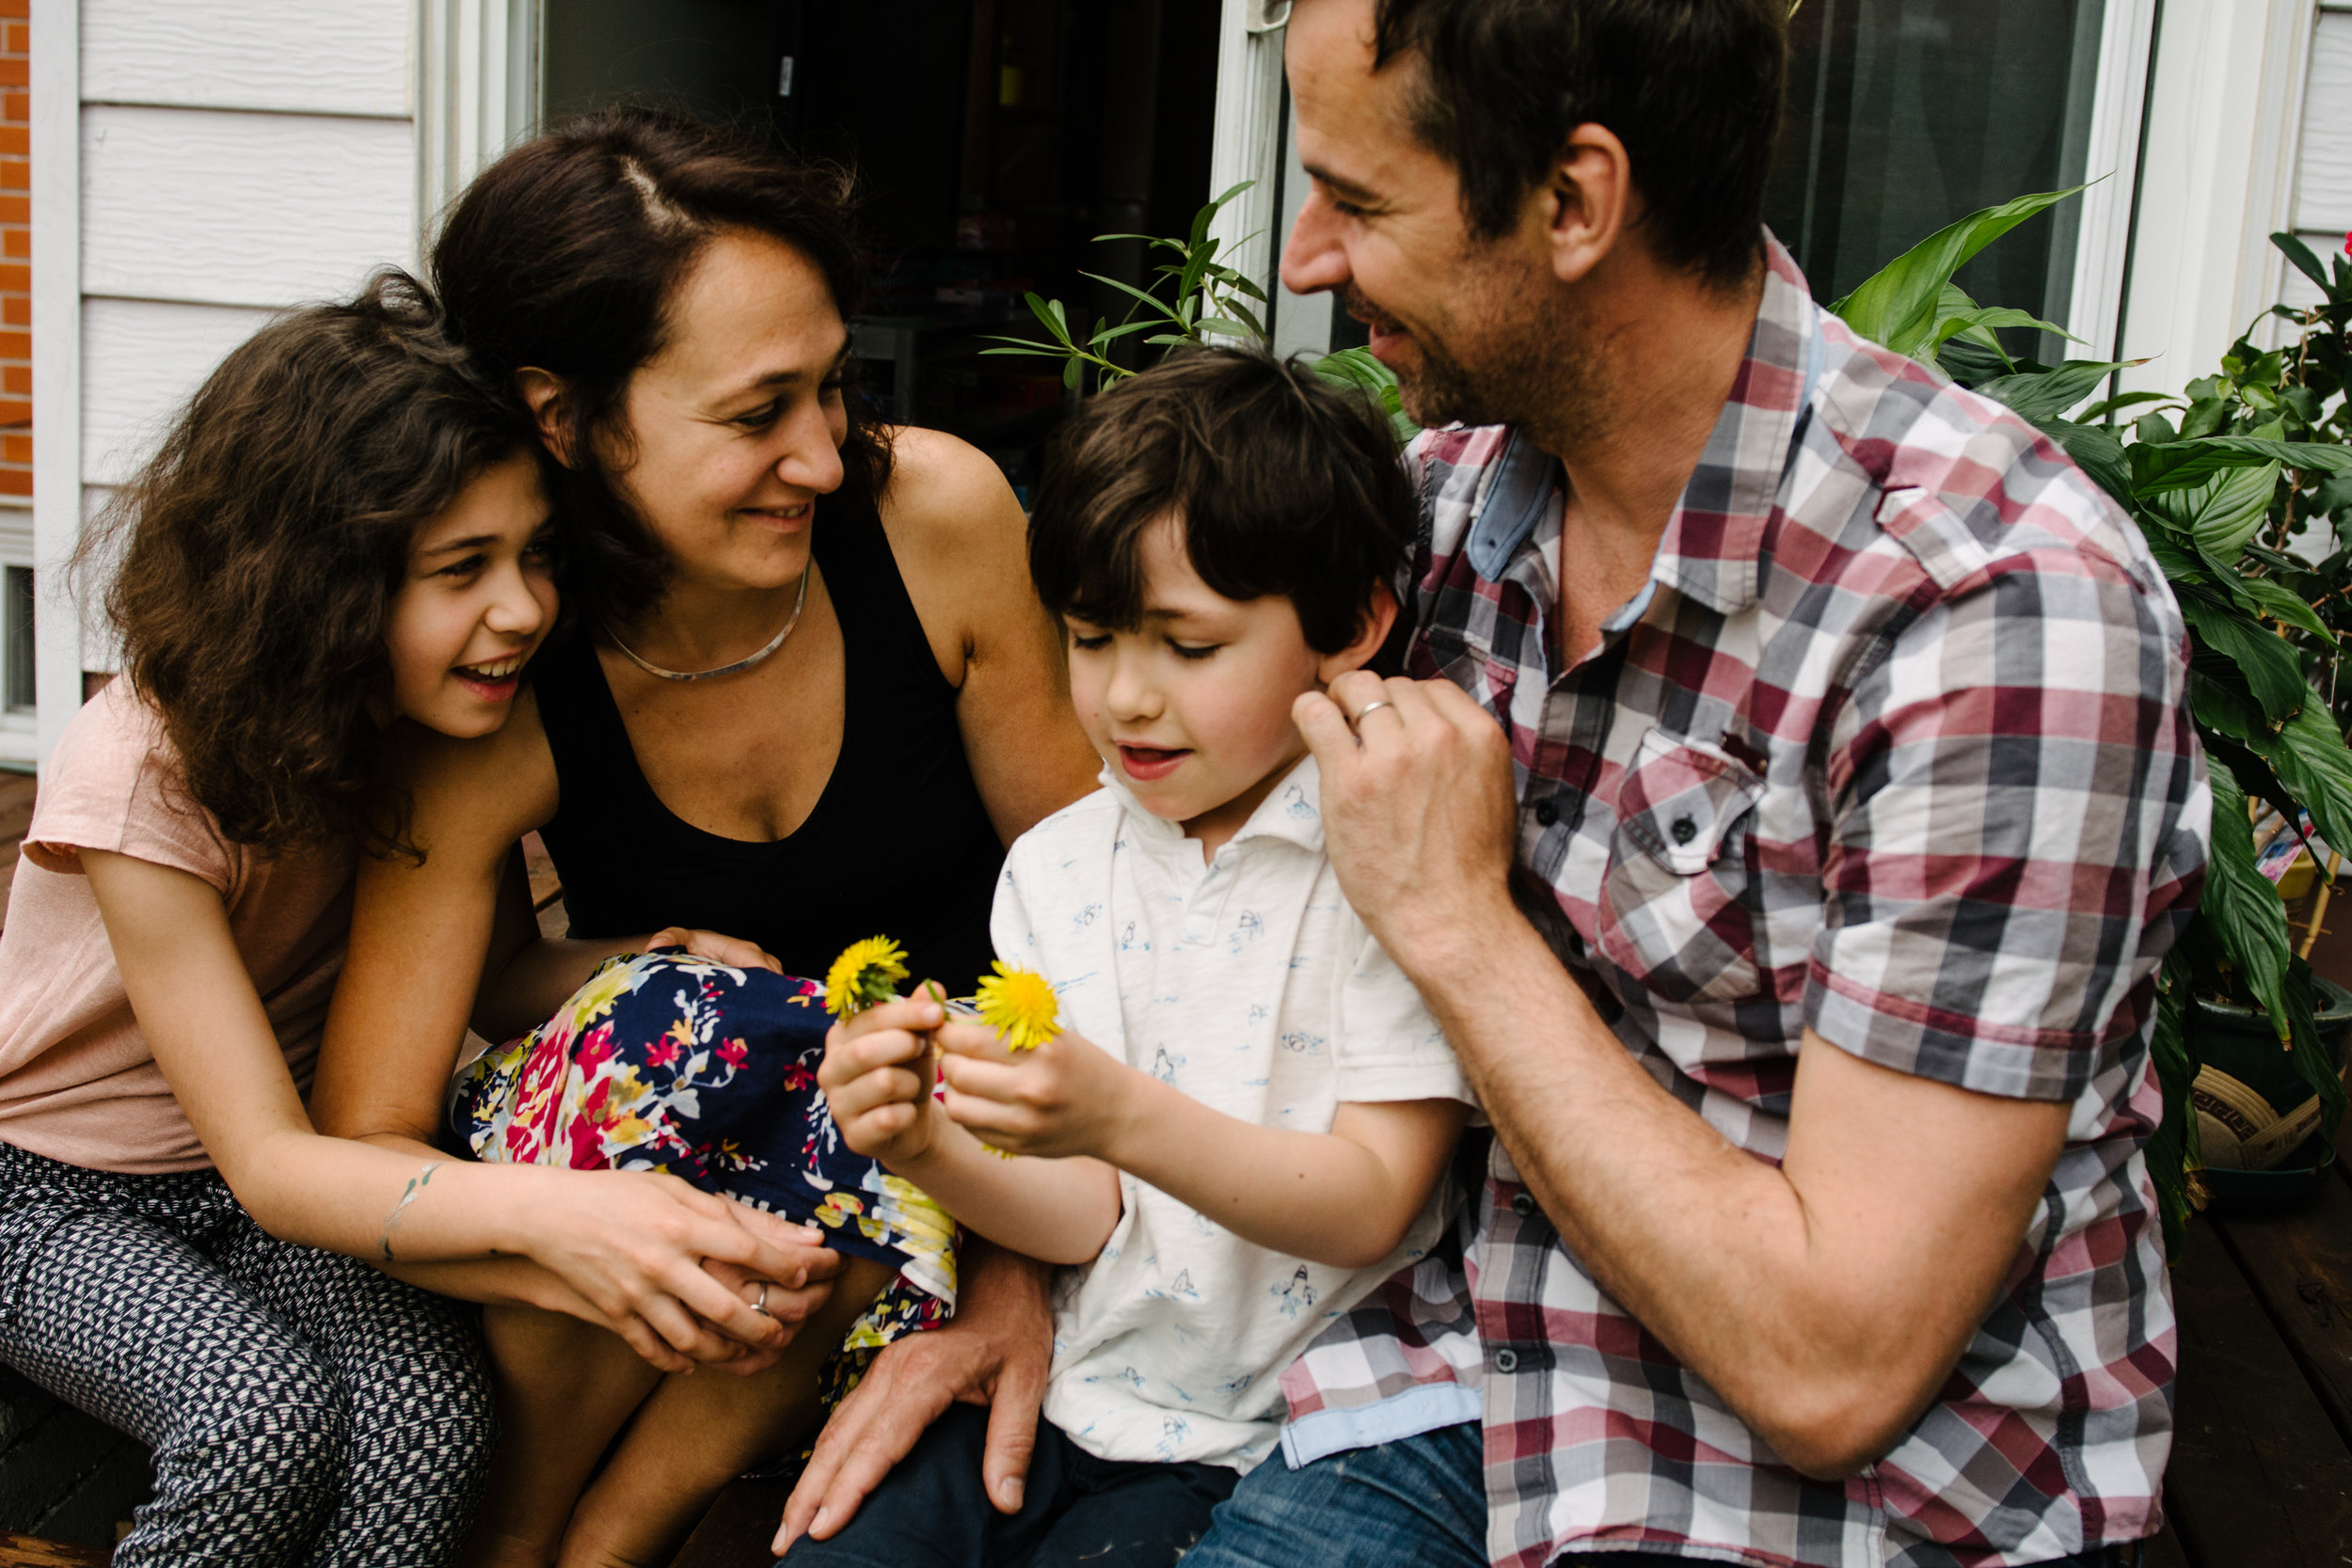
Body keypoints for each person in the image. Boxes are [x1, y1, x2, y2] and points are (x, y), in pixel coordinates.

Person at [784, 3, 2211, 1566]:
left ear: (1577, 203)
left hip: (1821, 1499)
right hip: (1431, 1381)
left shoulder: (1991, 619)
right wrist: (1016, 1280)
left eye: (1363, 198)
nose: (1311, 256)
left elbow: (1835, 1366)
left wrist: (1458, 923)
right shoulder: (1445, 517)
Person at [310, 108, 1102, 1568]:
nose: (819, 455)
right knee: (695, 1022)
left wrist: (1019, 1276)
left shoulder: (930, 519)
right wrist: (582, 1233)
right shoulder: (504, 666)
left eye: (831, 389)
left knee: (854, 1086)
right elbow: (373, 1115)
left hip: (942, 1202)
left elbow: (1113, 932)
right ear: (562, 419)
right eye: (756, 414)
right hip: (656, 1232)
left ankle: (603, 1546)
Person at [794, 347, 1475, 1568]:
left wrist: (1119, 1112)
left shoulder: (1382, 861)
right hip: (1064, 1384)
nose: (1128, 698)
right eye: (1093, 639)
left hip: (1255, 1441)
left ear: (1350, 626)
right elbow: (1076, 1218)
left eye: (1191, 648)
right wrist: (925, 1141)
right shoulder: (1059, 866)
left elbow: (1377, 1198)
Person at [0, 274, 564, 1565]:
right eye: (462, 569)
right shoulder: (143, 768)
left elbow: (498, 983)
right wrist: (552, 1220)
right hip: (46, 1196)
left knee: (427, 1417)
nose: (523, 608)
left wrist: (647, 959)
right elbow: (263, 1155)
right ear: (317, 583)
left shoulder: (441, 732)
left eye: (535, 555)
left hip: (261, 1184)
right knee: (259, 1418)